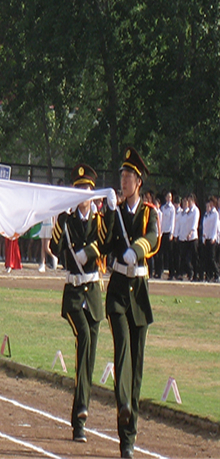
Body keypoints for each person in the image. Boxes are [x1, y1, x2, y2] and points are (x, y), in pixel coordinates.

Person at [101, 147, 159, 459]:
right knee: (122, 349)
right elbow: (105, 242)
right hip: (118, 292)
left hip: (140, 294)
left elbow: (153, 238)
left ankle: (129, 438)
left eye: (128, 177)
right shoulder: (117, 210)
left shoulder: (149, 212)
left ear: (138, 182)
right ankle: (123, 405)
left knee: (136, 368)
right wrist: (108, 213)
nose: (123, 181)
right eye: (121, 176)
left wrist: (136, 249)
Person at [50, 163, 105, 443]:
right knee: (83, 336)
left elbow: (106, 243)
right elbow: (55, 249)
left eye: (86, 189)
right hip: (73, 293)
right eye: (79, 189)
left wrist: (89, 252)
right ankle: (81, 412)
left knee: (89, 356)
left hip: (92, 293)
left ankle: (80, 416)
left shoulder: (100, 220)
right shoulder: (67, 220)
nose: (83, 194)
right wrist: (60, 221)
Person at [201, 199, 218, 282]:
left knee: (212, 258)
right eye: (206, 206)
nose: (207, 207)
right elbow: (204, 227)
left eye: (209, 206)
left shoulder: (215, 214)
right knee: (207, 258)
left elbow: (215, 226)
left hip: (212, 238)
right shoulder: (206, 215)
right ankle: (208, 276)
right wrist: (204, 238)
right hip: (207, 238)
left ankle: (217, 274)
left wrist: (214, 237)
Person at [159, 191, 175, 279]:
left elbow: (172, 221)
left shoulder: (172, 208)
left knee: (170, 254)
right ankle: (160, 271)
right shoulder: (163, 208)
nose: (168, 198)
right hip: (163, 232)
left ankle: (171, 273)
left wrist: (171, 233)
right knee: (161, 253)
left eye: (170, 197)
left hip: (169, 232)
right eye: (167, 197)